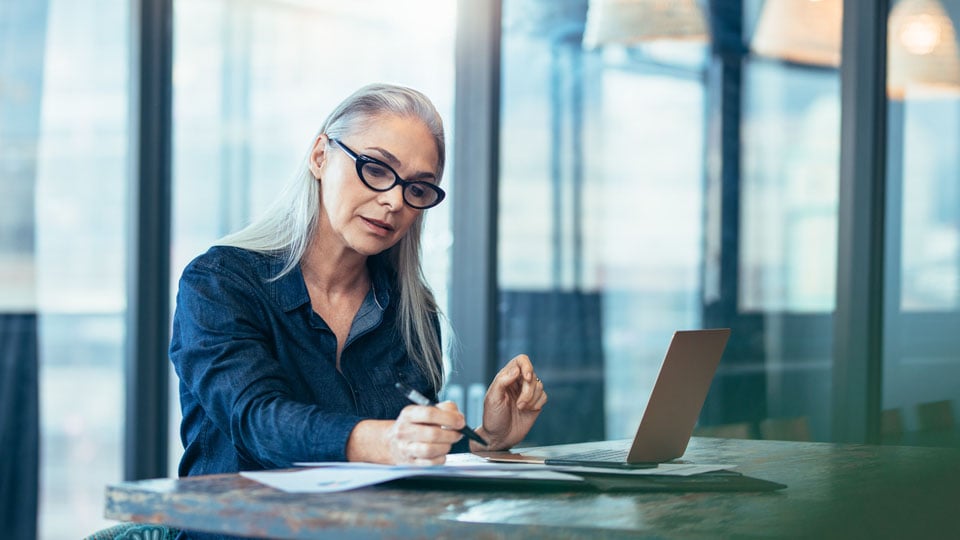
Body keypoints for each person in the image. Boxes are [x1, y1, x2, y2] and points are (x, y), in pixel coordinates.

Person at [170, 83, 547, 478]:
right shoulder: (220, 284)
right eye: (376, 168)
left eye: (417, 188)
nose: (395, 201)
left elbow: (409, 452)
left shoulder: (409, 311)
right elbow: (256, 420)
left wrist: (485, 438)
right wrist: (385, 443)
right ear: (320, 156)